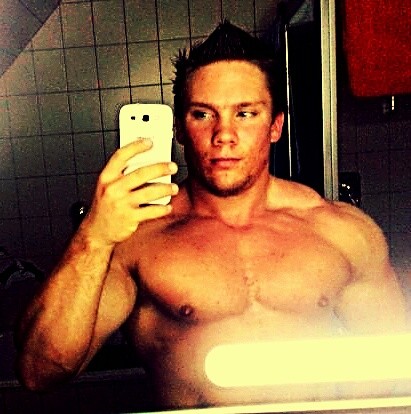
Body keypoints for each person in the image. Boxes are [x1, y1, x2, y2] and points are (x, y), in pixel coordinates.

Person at [16, 21, 407, 409]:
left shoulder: (341, 232)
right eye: (203, 114)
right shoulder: (138, 239)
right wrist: (93, 237)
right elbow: (40, 371)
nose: (224, 135)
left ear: (275, 126)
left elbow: (394, 376)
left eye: (245, 113)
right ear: (179, 130)